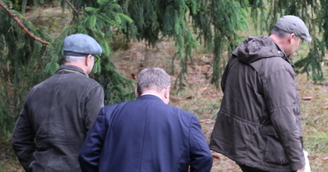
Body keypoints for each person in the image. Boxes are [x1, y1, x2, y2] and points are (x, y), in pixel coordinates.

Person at [210, 16, 312, 172]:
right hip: (262, 152)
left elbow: (226, 86)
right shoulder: (277, 67)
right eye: (300, 42)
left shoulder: (241, 53)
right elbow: (284, 117)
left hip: (238, 142)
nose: (299, 47)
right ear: (292, 38)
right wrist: (298, 162)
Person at [79, 67, 212, 172]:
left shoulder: (109, 113)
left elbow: (87, 155)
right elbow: (203, 157)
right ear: (167, 91)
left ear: (136, 91)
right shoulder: (186, 120)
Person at [12, 33, 105, 172]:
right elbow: (97, 136)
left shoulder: (37, 90)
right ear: (88, 58)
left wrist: (33, 166)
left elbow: (19, 139)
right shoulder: (91, 88)